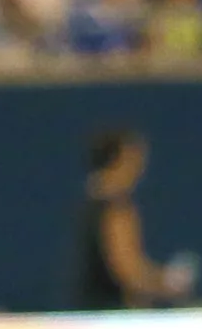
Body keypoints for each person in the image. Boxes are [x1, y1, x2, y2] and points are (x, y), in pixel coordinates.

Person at [74, 130, 195, 310]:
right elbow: (127, 271)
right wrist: (168, 284)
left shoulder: (92, 200)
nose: (140, 168)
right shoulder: (115, 207)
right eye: (135, 159)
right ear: (120, 160)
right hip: (112, 314)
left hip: (93, 309)